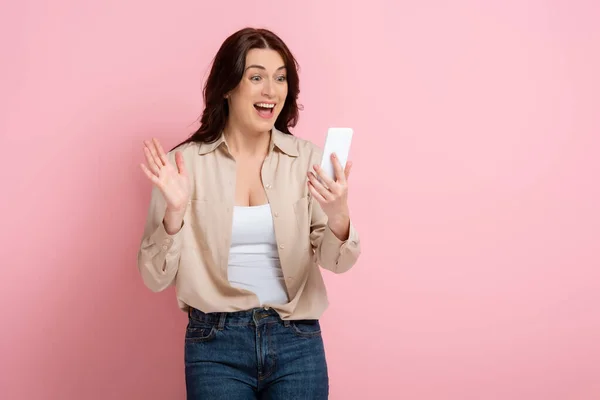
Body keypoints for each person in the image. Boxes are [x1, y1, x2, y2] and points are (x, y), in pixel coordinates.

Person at [137, 27, 361, 399]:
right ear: (227, 86)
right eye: (256, 77)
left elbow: (337, 263)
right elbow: (154, 278)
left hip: (297, 341)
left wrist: (338, 216)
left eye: (280, 78)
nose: (270, 91)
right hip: (215, 344)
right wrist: (174, 214)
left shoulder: (306, 159)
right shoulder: (184, 164)